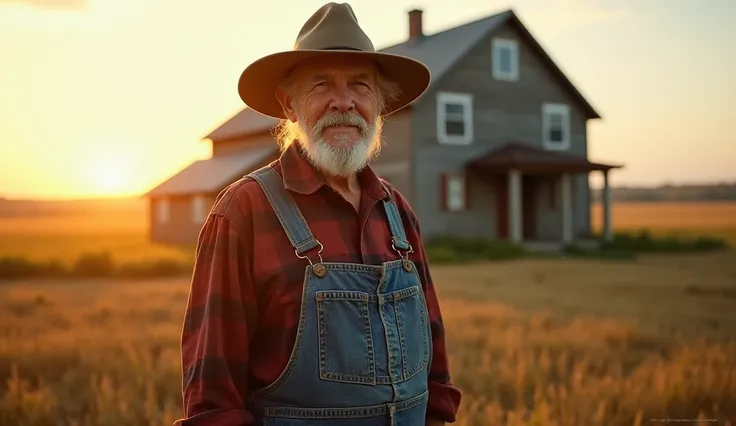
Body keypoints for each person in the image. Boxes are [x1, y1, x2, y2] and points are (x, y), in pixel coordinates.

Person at [175, 3, 462, 425]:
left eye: (361, 86)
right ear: (289, 105)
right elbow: (213, 401)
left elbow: (435, 377)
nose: (342, 102)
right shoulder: (243, 213)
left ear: (379, 106)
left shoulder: (397, 213)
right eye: (321, 84)